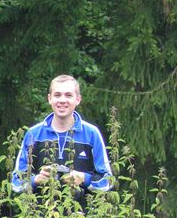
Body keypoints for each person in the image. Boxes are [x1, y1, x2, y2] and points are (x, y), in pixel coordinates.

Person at [12, 75, 113, 204]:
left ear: (78, 99)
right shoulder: (33, 134)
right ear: (49, 98)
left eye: (68, 95)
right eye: (57, 95)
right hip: (39, 214)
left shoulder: (92, 134)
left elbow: (108, 181)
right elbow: (16, 182)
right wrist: (35, 180)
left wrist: (84, 178)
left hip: (82, 215)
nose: (62, 100)